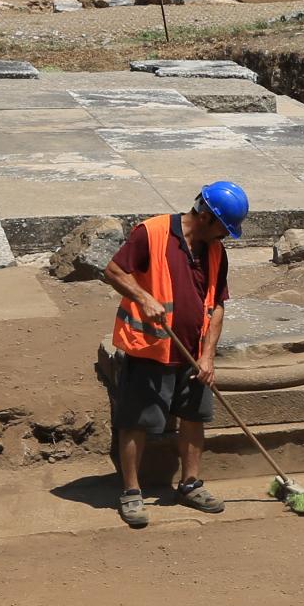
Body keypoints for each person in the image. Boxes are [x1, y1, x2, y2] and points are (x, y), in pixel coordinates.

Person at [101, 182, 247, 529]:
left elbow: (217, 306)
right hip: (151, 348)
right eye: (224, 229)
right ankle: (132, 492)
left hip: (193, 352)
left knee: (194, 417)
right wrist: (143, 297)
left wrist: (209, 356)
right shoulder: (150, 233)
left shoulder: (215, 252)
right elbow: (113, 271)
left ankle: (190, 484)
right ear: (207, 216)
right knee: (135, 421)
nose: (225, 237)